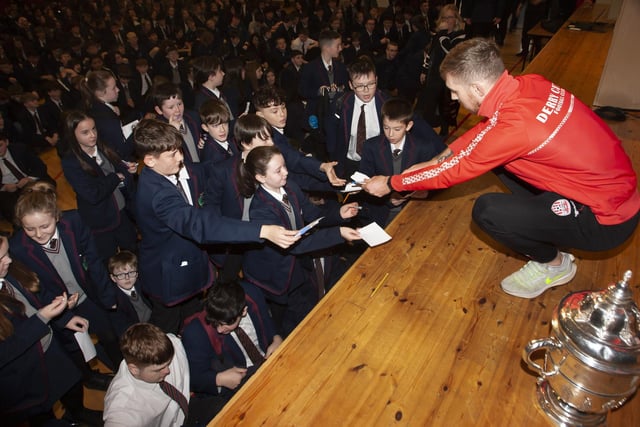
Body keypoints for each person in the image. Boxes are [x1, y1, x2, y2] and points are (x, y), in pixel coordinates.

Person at [362, 38, 640, 299]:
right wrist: (431, 164)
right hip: (613, 191)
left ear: (478, 90)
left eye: (455, 91)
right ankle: (549, 222)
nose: (454, 99)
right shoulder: (530, 84)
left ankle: (555, 264)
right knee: (501, 163)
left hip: (606, 220)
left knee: (487, 211)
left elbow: (455, 169)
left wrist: (392, 183)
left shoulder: (514, 129)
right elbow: (479, 138)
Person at [133, 119, 300, 334]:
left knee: (193, 317)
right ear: (150, 160)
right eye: (172, 155)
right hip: (170, 276)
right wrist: (262, 230)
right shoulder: (158, 195)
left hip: (189, 269)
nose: (181, 157)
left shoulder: (162, 176)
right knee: (168, 330)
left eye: (180, 150)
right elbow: (199, 225)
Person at [239, 145, 361, 335]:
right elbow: (295, 244)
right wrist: (338, 233)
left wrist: (339, 214)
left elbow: (314, 215)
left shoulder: (290, 187)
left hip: (299, 266)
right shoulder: (260, 210)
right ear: (261, 177)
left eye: (285, 166)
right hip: (278, 274)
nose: (286, 173)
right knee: (291, 322)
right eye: (278, 170)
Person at [10, 181, 124, 371]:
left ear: (56, 216)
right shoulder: (18, 248)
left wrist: (107, 296)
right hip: (56, 306)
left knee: (109, 335)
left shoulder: (74, 222)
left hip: (88, 295)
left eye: (44, 226)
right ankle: (89, 375)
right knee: (74, 347)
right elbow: (33, 286)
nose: (38, 234)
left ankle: (120, 367)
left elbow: (94, 262)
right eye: (29, 229)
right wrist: (60, 309)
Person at [0, 236, 102, 426]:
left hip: (50, 349)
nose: (9, 260)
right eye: (1, 258)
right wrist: (42, 318)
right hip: (25, 370)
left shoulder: (11, 271)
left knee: (70, 384)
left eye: (7, 253)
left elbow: (38, 295)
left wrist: (64, 316)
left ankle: (79, 413)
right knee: (41, 410)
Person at [182, 280, 282, 407]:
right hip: (238, 387)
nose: (219, 329)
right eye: (216, 323)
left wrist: (277, 338)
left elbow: (268, 321)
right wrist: (218, 379)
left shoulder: (252, 294)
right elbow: (193, 379)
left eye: (225, 324)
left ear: (244, 311)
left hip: (270, 364)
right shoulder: (196, 333)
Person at [104, 323, 220, 426]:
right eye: (158, 369)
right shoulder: (123, 409)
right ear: (134, 369)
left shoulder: (173, 343)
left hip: (185, 407)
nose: (167, 371)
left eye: (168, 364)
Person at [60, 110, 138, 261]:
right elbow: (92, 194)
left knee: (132, 252)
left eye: (94, 129)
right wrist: (115, 177)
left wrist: (127, 170)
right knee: (108, 260)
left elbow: (118, 166)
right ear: (72, 134)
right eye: (85, 132)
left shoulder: (103, 146)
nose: (92, 135)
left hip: (122, 213)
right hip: (101, 222)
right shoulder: (71, 162)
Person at [359, 98, 446, 226]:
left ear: (409, 126)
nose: (390, 134)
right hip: (380, 213)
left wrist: (427, 193)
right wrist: (388, 198)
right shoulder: (371, 146)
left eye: (397, 129)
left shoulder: (425, 147)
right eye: (386, 128)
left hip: (415, 212)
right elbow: (364, 180)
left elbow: (440, 179)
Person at [253, 86, 345, 191]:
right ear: (260, 115)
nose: (282, 114)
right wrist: (322, 166)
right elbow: (296, 160)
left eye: (283, 107)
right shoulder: (269, 139)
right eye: (274, 111)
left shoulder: (277, 130)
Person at [329, 57, 387, 179]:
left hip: (379, 165)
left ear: (376, 80)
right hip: (350, 164)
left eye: (371, 84)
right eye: (360, 86)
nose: (366, 91)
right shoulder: (340, 104)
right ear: (350, 85)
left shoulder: (386, 104)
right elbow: (332, 137)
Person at [418, 4, 467, 137]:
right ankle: (426, 130)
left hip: (449, 77)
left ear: (456, 19)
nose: (447, 20)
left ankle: (444, 131)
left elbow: (450, 51)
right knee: (429, 103)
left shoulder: (460, 35)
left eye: (450, 17)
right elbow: (430, 52)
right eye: (444, 17)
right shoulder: (439, 35)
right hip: (434, 74)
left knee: (445, 105)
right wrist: (424, 70)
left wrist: (441, 34)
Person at [80, 70, 135, 161]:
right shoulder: (108, 120)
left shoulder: (91, 104)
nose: (118, 89)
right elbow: (122, 151)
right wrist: (136, 132)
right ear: (100, 92)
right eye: (113, 88)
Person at [0, 131, 55, 222]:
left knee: (48, 187)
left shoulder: (20, 149)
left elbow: (40, 166)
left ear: (7, 142)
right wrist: (4, 187)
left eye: (0, 145)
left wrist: (29, 178)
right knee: (11, 209)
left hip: (28, 180)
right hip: (10, 190)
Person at [151, 82, 208, 164]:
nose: (177, 110)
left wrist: (205, 140)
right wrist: (171, 132)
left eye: (179, 104)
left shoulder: (193, 116)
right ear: (159, 110)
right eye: (171, 107)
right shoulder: (158, 131)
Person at [108, 250, 152, 336]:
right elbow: (122, 328)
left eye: (131, 273)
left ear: (137, 273)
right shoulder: (113, 299)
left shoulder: (144, 285)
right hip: (136, 334)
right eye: (120, 275)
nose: (127, 278)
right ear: (113, 278)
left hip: (154, 324)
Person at [199, 98, 238, 164]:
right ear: (205, 128)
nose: (222, 130)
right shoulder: (211, 157)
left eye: (225, 123)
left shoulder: (230, 139)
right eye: (216, 126)